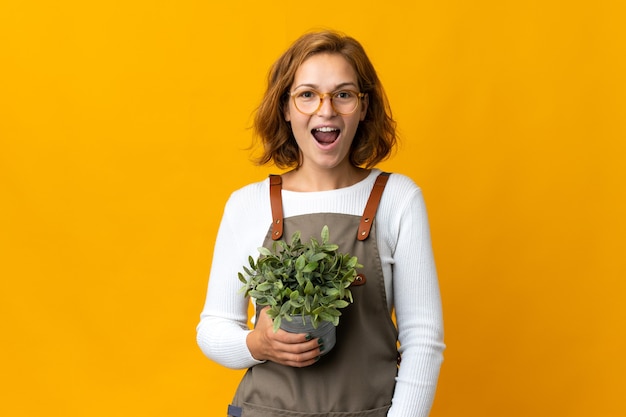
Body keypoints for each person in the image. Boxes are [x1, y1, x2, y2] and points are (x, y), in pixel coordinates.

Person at [196, 30, 445, 417]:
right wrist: (255, 345)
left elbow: (424, 339)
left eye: (343, 94)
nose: (325, 110)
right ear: (285, 108)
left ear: (363, 107)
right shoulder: (246, 204)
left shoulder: (398, 198)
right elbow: (212, 329)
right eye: (307, 94)